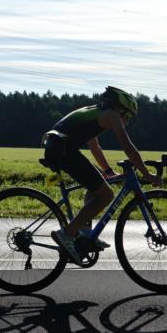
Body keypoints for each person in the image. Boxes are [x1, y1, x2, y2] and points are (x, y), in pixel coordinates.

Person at [42, 86, 158, 262]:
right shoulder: (112, 116)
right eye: (128, 115)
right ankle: (67, 233)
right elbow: (128, 147)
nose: (127, 120)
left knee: (99, 184)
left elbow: (94, 146)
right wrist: (146, 173)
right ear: (121, 109)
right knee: (106, 195)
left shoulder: (96, 113)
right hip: (63, 151)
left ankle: (85, 232)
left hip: (59, 147)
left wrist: (108, 171)